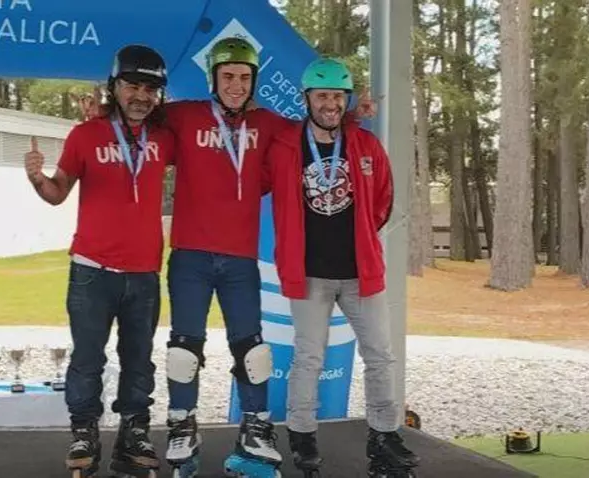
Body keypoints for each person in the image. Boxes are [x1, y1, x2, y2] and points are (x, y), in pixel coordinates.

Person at [79, 38, 375, 477]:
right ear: (213, 79)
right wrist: (102, 113)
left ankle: (255, 428)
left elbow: (314, 125)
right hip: (190, 256)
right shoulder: (184, 115)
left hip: (240, 258)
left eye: (243, 77)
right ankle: (182, 423)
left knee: (252, 349)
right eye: (228, 76)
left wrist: (349, 116)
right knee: (184, 348)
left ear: (253, 80)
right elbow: (137, 114)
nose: (236, 85)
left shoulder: (269, 123)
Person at [23, 45, 174, 478]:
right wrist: (36, 177)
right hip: (92, 271)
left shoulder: (164, 137)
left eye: (150, 89)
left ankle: (134, 434)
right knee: (88, 359)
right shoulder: (85, 135)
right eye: (132, 86)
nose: (141, 96)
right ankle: (84, 433)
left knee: (139, 360)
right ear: (114, 87)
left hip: (144, 273)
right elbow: (57, 193)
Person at [265, 58, 419, 477]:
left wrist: (363, 237)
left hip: (359, 274)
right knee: (308, 358)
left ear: (346, 100)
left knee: (381, 356)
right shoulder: (283, 145)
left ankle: (384, 435)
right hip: (309, 274)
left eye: (337, 96)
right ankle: (302, 436)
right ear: (307, 99)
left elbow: (383, 198)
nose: (330, 104)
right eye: (322, 96)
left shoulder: (365, 144)